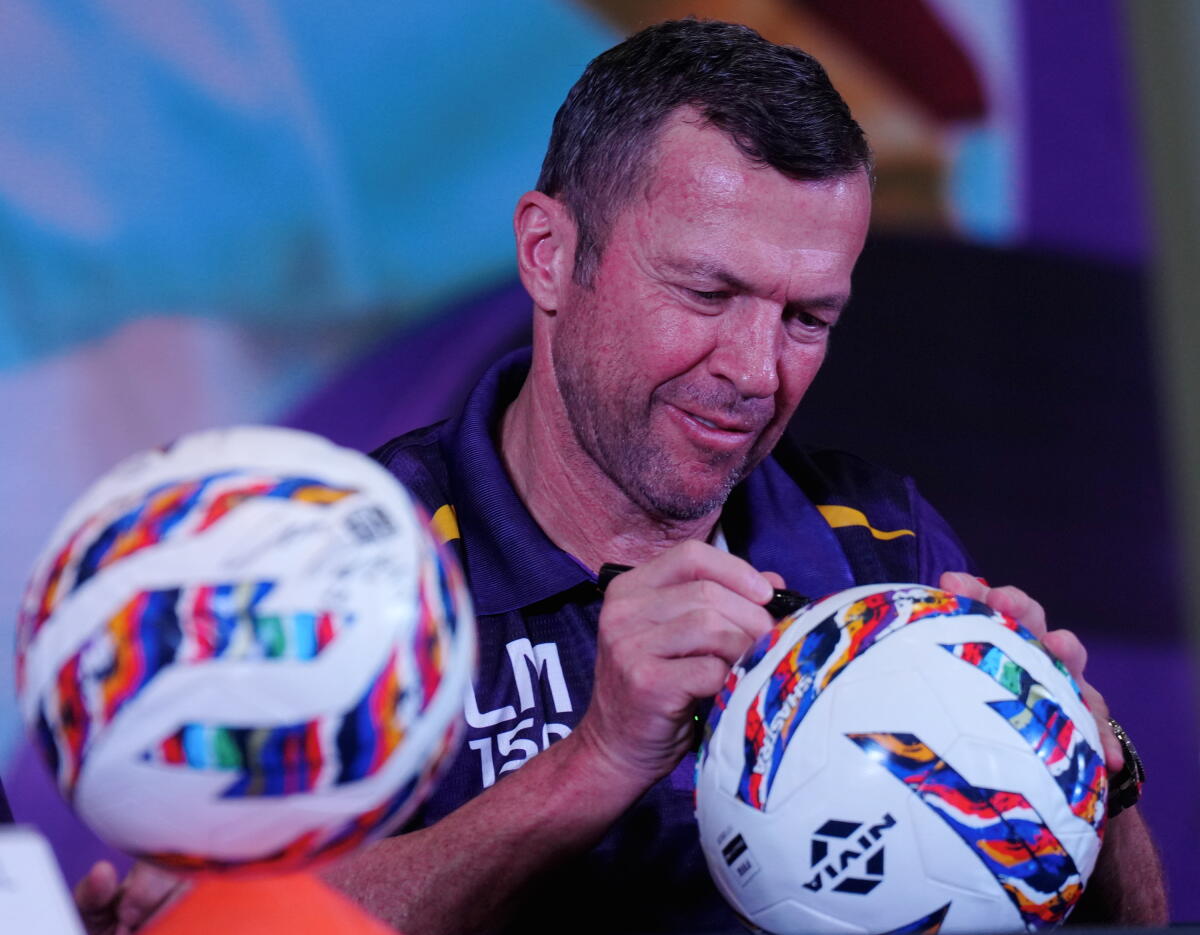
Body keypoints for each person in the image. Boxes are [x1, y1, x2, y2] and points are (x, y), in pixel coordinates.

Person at [78, 18, 1167, 934]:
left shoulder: (882, 546)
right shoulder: (337, 569)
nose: (755, 371)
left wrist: (1083, 768)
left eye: (807, 317)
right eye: (706, 293)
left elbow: (1130, 919)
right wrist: (594, 760)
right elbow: (206, 924)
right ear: (550, 255)